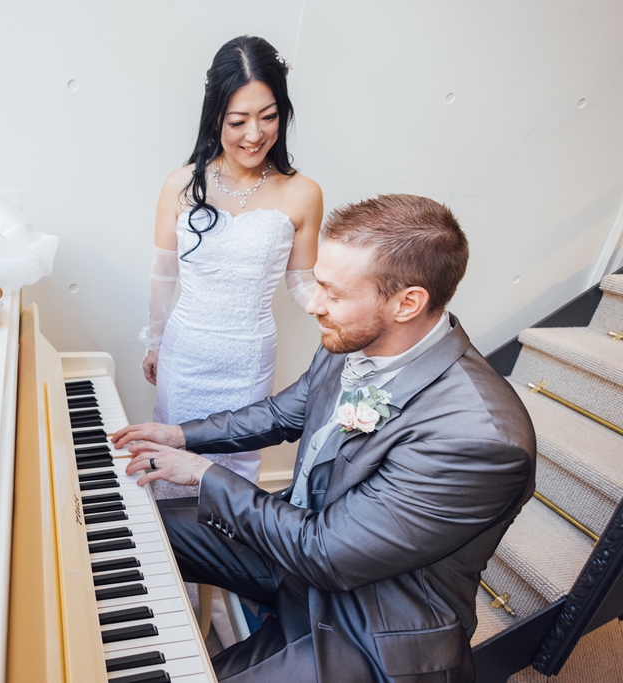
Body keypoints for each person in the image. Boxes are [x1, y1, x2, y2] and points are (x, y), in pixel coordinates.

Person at [113, 194, 536, 683]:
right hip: (296, 553)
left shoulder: (479, 438)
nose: (314, 304)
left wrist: (205, 475)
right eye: (318, 284)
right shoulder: (353, 340)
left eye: (332, 293)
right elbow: (280, 413)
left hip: (368, 623)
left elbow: (328, 554)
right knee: (134, 527)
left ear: (408, 303)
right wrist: (181, 434)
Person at [140, 35, 323, 502]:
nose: (254, 135)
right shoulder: (180, 185)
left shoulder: (303, 193)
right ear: (215, 116)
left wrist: (336, 305)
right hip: (185, 353)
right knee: (172, 465)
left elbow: (301, 281)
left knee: (235, 472)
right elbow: (164, 275)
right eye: (238, 121)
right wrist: (155, 343)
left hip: (247, 358)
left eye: (268, 118)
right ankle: (176, 569)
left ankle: (224, 570)